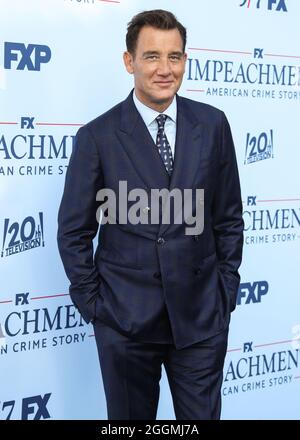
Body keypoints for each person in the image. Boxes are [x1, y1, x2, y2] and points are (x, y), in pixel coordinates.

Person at [57, 9, 244, 420]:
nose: (165, 69)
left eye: (174, 57)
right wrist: (96, 306)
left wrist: (224, 291)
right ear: (130, 62)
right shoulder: (98, 136)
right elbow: (73, 231)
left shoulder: (212, 125)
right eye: (152, 56)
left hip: (200, 320)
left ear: (184, 61)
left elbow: (228, 217)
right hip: (125, 323)